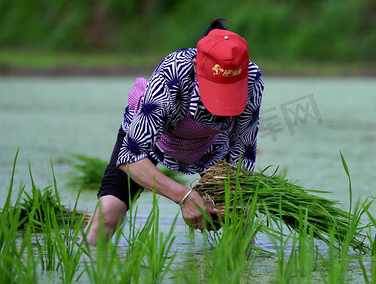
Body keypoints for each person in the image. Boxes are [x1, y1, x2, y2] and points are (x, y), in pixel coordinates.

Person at [83, 19, 264, 243]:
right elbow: (130, 158)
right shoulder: (172, 74)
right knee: (109, 213)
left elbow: (242, 151)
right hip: (155, 137)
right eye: (217, 88)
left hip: (211, 145)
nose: (221, 103)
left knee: (240, 222)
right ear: (198, 66)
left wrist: (235, 202)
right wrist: (185, 197)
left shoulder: (253, 80)